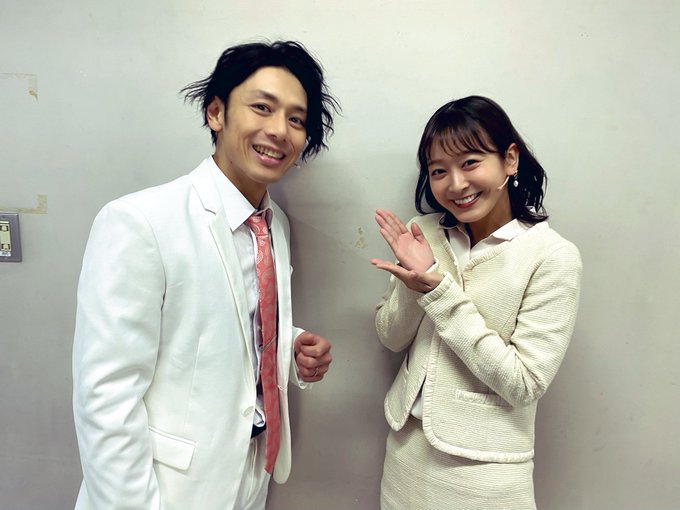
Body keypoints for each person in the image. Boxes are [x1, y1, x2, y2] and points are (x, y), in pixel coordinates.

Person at [72, 40, 338, 510]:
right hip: (167, 489)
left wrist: (288, 345)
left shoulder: (274, 225)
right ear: (216, 113)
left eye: (297, 120)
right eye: (262, 107)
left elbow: (223, 320)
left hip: (249, 475)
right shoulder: (140, 221)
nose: (280, 130)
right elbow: (106, 396)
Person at [371, 96, 582, 509]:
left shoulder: (552, 256)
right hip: (404, 456)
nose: (455, 184)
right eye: (438, 171)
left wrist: (437, 290)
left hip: (486, 473)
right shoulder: (422, 233)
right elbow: (391, 338)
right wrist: (414, 286)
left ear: (509, 160)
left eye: (470, 162)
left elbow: (525, 383)